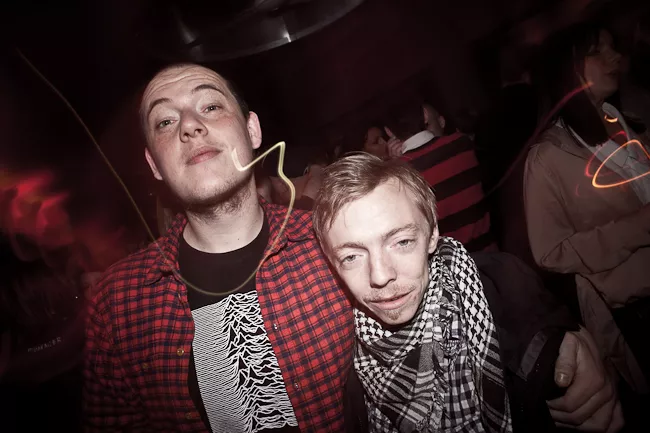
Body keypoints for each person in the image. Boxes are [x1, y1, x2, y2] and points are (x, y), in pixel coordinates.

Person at [83, 63, 354, 432]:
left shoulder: (333, 241)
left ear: (252, 130)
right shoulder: (117, 303)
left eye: (210, 106)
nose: (190, 126)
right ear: (154, 164)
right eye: (165, 121)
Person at [313, 153, 623, 433]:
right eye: (351, 257)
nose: (380, 276)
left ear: (432, 234)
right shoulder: (340, 357)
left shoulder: (505, 293)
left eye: (402, 242)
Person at [525, 22, 650, 417]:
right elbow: (550, 252)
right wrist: (640, 227)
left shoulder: (618, 119)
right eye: (598, 50)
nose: (615, 57)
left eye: (614, 47)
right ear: (570, 68)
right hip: (637, 310)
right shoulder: (548, 157)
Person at [384, 100, 497, 252]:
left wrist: (393, 164)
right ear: (425, 115)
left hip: (450, 263)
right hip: (491, 253)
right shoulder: (461, 143)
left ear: (389, 132)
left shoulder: (397, 175)